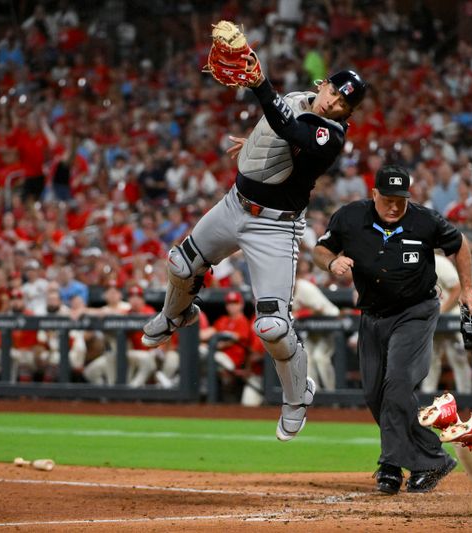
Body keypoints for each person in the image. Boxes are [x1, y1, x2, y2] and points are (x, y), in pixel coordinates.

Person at [141, 56, 367, 441]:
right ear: (323, 84)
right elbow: (278, 131)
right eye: (333, 92)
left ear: (348, 113)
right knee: (181, 263)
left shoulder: (332, 134)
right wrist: (254, 149)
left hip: (274, 227)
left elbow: (291, 129)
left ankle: (298, 397)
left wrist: (260, 82)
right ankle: (176, 315)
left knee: (273, 327)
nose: (333, 103)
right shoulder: (298, 98)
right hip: (235, 204)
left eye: (344, 104)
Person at [313, 164, 472, 494]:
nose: (394, 205)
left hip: (415, 312)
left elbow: (459, 244)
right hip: (373, 315)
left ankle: (390, 465)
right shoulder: (349, 218)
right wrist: (331, 263)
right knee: (375, 394)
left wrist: (467, 289)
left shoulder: (424, 220)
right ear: (374, 194)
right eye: (387, 198)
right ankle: (431, 458)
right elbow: (321, 250)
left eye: (400, 199)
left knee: (398, 383)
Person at [421, 252, 471, 395]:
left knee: (458, 356)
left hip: (451, 314)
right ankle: (427, 397)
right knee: (430, 359)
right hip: (432, 317)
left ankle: (466, 396)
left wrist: (442, 310)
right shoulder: (415, 263)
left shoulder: (439, 262)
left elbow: (458, 288)